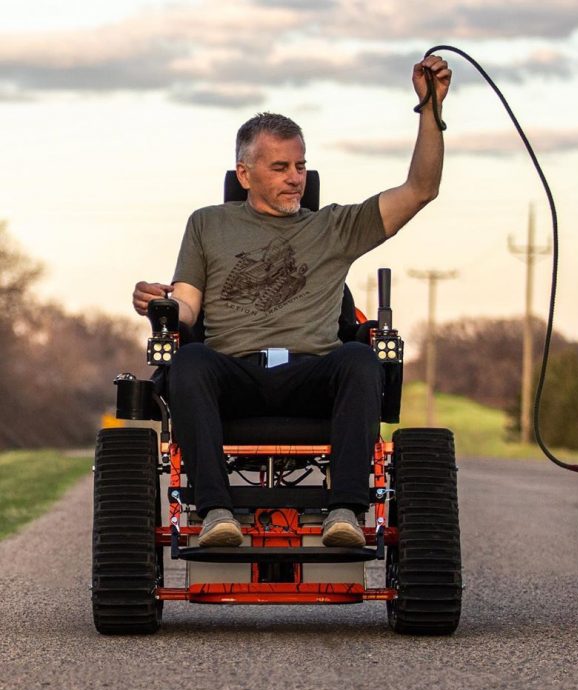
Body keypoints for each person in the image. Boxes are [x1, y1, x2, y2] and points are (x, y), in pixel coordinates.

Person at [133, 55, 451, 549]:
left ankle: (345, 510)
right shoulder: (207, 224)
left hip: (313, 374)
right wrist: (161, 304)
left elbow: (421, 189)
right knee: (189, 359)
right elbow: (188, 307)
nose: (294, 178)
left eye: (300, 166)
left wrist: (430, 109)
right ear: (244, 173)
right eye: (279, 167)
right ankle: (217, 512)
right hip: (232, 374)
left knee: (360, 358)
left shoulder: (333, 227)